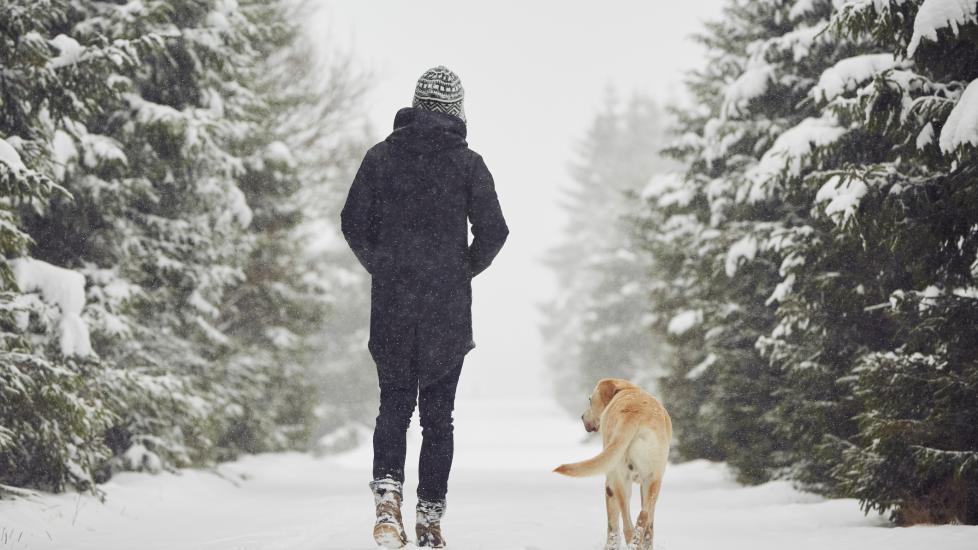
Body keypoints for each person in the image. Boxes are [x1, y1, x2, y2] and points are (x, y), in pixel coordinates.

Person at [341, 65, 509, 549]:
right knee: (439, 418)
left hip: (392, 304)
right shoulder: (469, 164)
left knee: (393, 405)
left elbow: (353, 221)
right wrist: (459, 272)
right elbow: (495, 231)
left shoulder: (381, 158)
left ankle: (387, 504)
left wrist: (384, 265)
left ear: (414, 106)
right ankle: (430, 521)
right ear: (457, 112)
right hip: (446, 311)